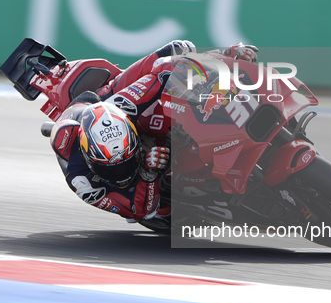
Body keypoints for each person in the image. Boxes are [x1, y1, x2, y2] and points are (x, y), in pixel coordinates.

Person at [49, 40, 258, 222]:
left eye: (126, 161)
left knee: (178, 49)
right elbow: (138, 211)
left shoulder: (126, 104)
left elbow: (167, 71)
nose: (123, 172)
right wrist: (148, 174)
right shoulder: (83, 182)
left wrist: (224, 57)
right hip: (102, 128)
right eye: (113, 168)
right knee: (162, 212)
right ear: (88, 156)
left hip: (107, 101)